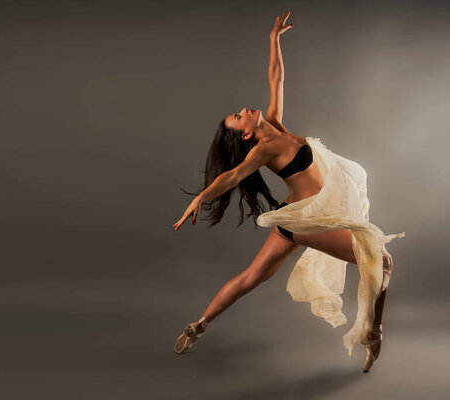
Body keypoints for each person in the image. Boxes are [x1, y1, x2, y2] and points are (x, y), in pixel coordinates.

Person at [172, 11, 405, 373]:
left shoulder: (276, 127)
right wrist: (200, 198)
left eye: (237, 112)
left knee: (254, 276)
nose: (244, 110)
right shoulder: (263, 150)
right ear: (246, 135)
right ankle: (373, 333)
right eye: (238, 117)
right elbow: (232, 177)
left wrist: (273, 38)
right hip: (305, 222)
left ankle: (197, 326)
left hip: (297, 216)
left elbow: (277, 77)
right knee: (382, 260)